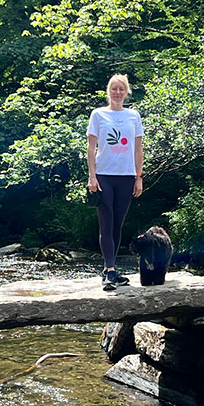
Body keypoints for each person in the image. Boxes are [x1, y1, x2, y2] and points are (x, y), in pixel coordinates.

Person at [87, 74, 144, 291]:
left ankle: (111, 269)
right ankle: (109, 270)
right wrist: (92, 176)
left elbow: (138, 149)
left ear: (126, 91)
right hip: (103, 176)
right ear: (108, 91)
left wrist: (138, 177)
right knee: (106, 223)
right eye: (114, 89)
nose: (117, 92)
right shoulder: (98, 115)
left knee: (118, 224)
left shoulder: (133, 116)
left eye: (121, 89)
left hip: (127, 176)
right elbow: (91, 148)